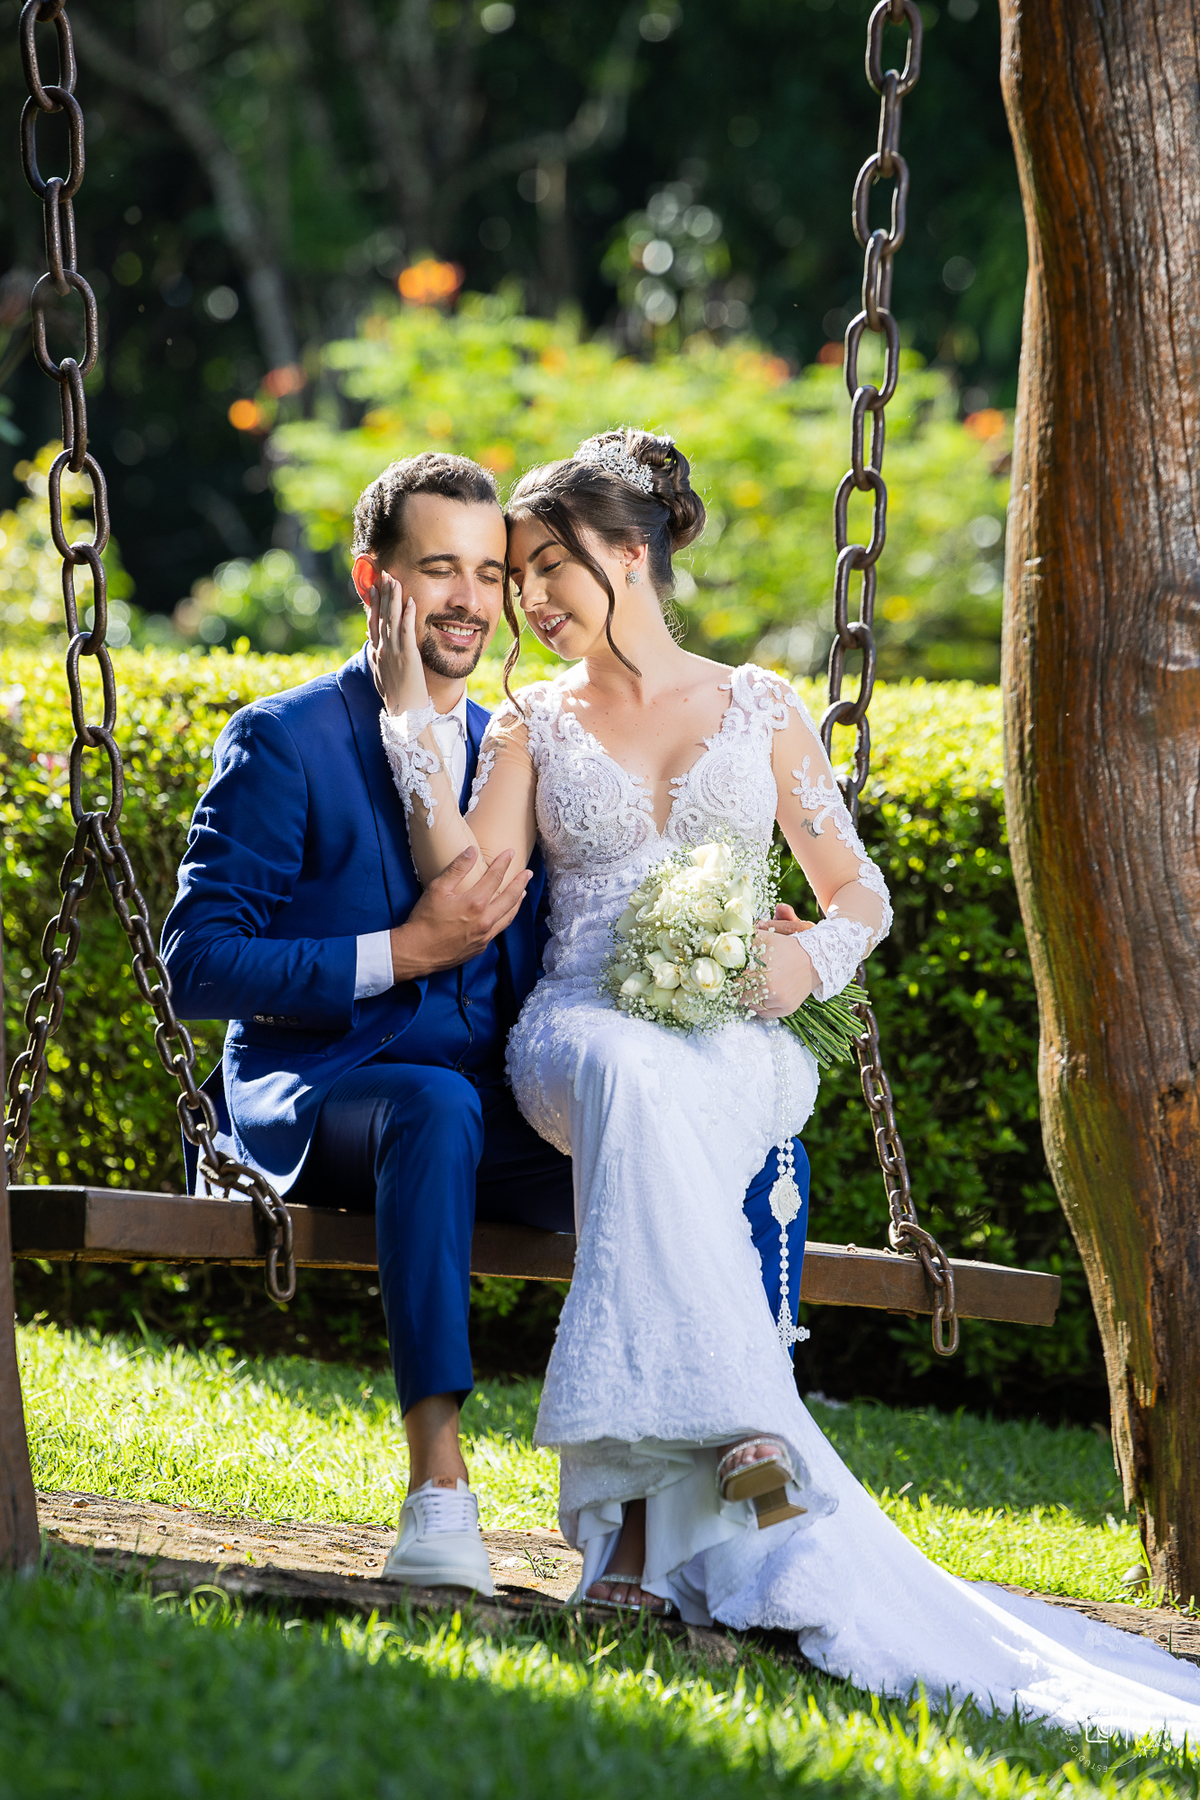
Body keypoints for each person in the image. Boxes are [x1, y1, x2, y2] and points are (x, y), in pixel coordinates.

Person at [373, 428, 1200, 1741]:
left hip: (734, 1039)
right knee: (631, 1076)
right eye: (516, 577)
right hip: (580, 1032)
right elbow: (468, 880)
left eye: (546, 569)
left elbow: (857, 894)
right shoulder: (532, 724)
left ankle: (632, 1548)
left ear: (628, 557)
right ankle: (747, 1423)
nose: (526, 599)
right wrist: (415, 729)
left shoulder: (759, 708)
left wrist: (801, 964)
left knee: (682, 1096)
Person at [160, 449, 812, 1599]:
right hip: (332, 1092)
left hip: (496, 1106)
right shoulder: (289, 739)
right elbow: (197, 964)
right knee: (433, 1102)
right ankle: (440, 1490)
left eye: (488, 572)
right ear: (373, 581)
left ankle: (705, 1499)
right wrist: (400, 953)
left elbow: (600, 910)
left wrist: (746, 936)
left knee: (704, 1126)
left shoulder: (529, 739)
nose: (470, 599)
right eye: (437, 570)